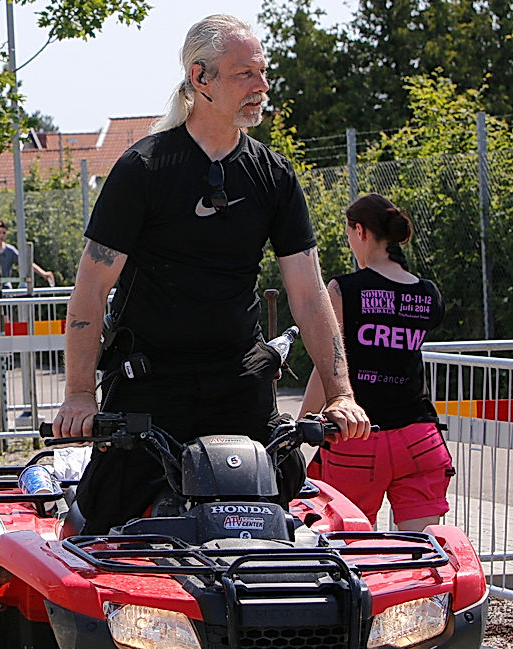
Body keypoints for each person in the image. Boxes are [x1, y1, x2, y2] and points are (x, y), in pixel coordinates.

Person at [52, 14, 370, 535]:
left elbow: (309, 296)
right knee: (95, 527)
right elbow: (91, 291)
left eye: (262, 73)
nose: (261, 87)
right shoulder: (144, 169)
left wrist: (341, 393)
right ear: (200, 79)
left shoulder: (274, 176)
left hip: (239, 382)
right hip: (151, 384)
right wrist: (80, 393)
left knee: (277, 524)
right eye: (244, 74)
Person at [299, 194, 451, 530]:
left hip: (357, 438)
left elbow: (328, 366)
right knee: (422, 555)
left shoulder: (344, 290)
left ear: (361, 231)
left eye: (349, 234)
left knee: (350, 553)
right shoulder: (428, 294)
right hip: (419, 439)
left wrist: (301, 424)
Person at [0, 221, 56, 289]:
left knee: (7, 309)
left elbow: (26, 263)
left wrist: (43, 273)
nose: (1, 236)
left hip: (5, 289)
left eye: (4, 233)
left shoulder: (10, 250)